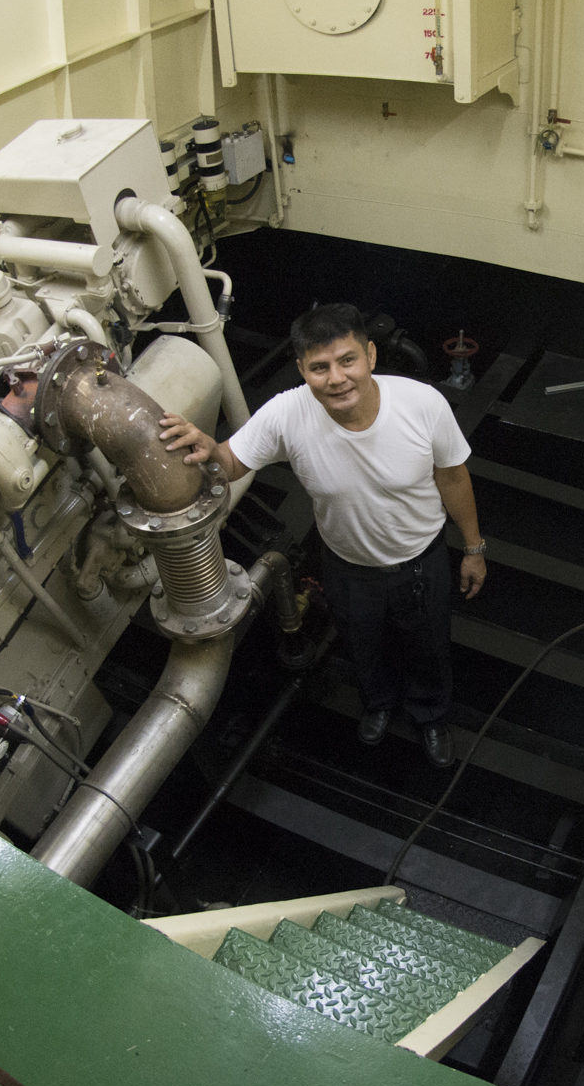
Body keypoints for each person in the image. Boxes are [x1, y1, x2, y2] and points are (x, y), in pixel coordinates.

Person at [158, 303, 487, 768]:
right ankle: (378, 704)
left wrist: (473, 548)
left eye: (347, 360)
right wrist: (209, 447)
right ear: (302, 370)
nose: (336, 378)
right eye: (320, 367)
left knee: (429, 644)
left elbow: (453, 477)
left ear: (370, 356)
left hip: (420, 562)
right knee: (363, 644)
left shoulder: (422, 405)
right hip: (348, 568)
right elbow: (231, 463)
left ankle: (430, 714)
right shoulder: (288, 413)